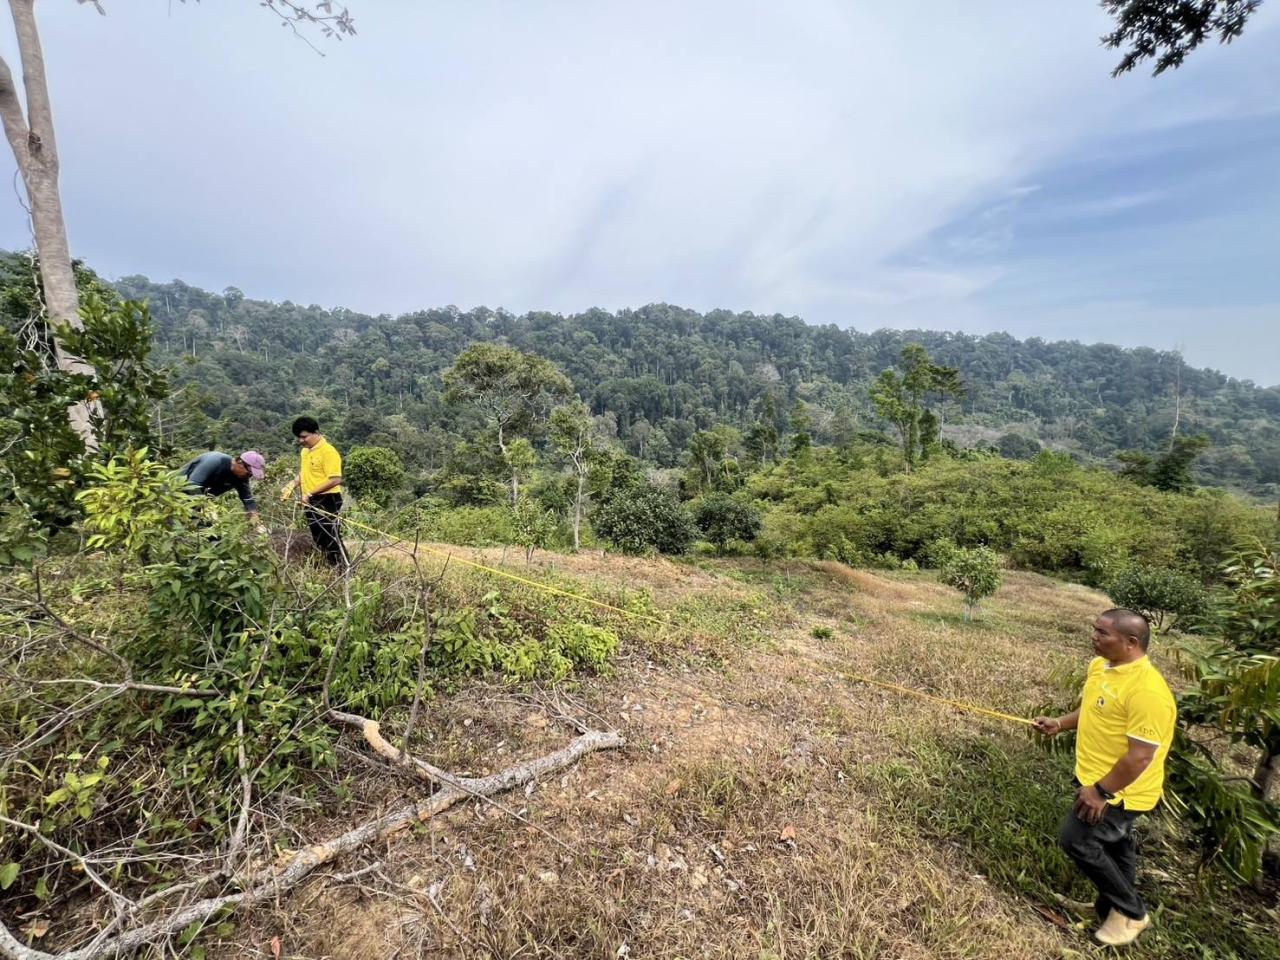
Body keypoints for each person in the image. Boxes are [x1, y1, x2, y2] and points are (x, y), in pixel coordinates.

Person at [1033, 608, 1176, 948]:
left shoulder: (1147, 692)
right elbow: (1093, 709)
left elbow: (1140, 756)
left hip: (1122, 791)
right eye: (1095, 629)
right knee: (1115, 845)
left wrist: (1101, 792)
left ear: (1130, 642)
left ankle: (1131, 912)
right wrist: (1060, 723)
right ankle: (1110, 907)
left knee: (1077, 840)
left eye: (1102, 633)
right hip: (1095, 778)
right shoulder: (1101, 666)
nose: (1094, 637)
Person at [282, 416, 348, 569]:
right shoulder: (305, 452)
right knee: (318, 538)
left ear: (316, 433)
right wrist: (292, 484)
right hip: (311, 500)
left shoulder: (328, 452)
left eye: (304, 437)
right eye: (299, 437)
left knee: (330, 538)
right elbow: (305, 473)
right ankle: (328, 569)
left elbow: (335, 479)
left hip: (328, 500)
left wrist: (309, 493)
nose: (301, 441)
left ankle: (343, 570)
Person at [178, 450, 267, 530]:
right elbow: (193, 484)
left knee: (212, 534)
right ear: (239, 462)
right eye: (248, 474)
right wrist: (207, 508)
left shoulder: (241, 477)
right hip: (176, 494)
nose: (248, 477)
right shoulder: (216, 461)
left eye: (251, 475)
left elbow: (248, 500)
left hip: (197, 503)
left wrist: (256, 522)